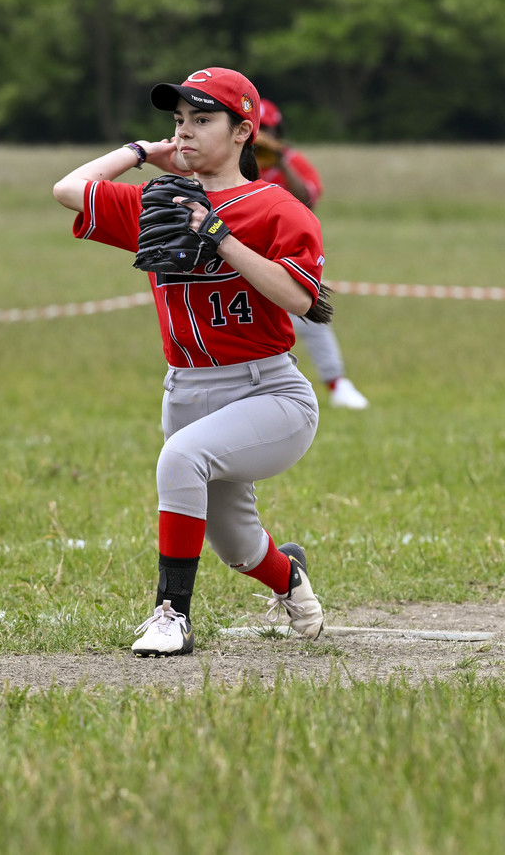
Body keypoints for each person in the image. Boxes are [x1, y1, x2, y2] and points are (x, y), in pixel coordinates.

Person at [53, 67, 326, 657]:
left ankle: (170, 614)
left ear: (243, 131)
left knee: (180, 458)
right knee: (239, 547)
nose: (186, 132)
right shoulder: (165, 200)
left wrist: (221, 236)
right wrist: (140, 153)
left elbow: (300, 298)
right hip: (187, 392)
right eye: (178, 121)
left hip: (269, 394)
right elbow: (68, 189)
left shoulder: (277, 208)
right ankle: (290, 577)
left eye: (202, 120)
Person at [254, 100, 369, 410]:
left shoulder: (290, 160)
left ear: (278, 131)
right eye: (255, 127)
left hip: (282, 256)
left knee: (310, 317)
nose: (260, 134)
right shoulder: (232, 162)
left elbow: (308, 199)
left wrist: (279, 161)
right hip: (240, 256)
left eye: (267, 129)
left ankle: (337, 383)